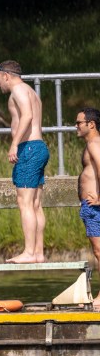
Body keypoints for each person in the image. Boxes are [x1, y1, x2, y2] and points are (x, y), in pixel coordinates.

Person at [0, 60, 48, 263]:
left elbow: (26, 117)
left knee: (24, 202)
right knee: (35, 204)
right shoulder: (31, 92)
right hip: (39, 147)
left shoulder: (18, 91)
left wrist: (14, 144)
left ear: (6, 75)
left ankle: (29, 252)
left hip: (29, 148)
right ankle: (38, 252)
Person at [75, 107, 100, 310]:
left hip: (95, 207)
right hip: (90, 207)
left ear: (91, 124)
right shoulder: (92, 144)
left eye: (79, 123)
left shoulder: (94, 144)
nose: (76, 126)